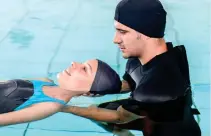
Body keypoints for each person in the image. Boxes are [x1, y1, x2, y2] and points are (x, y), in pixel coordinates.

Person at [60, 0, 201, 136]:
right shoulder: (142, 59)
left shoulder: (157, 86)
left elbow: (119, 117)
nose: (115, 39)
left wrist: (63, 108)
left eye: (123, 32)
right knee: (101, 110)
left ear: (146, 32)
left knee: (96, 112)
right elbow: (133, 82)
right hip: (154, 112)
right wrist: (93, 87)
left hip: (170, 128)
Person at [0, 59, 122, 126]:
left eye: (85, 69)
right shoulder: (44, 81)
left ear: (89, 92)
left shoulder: (50, 106)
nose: (74, 63)